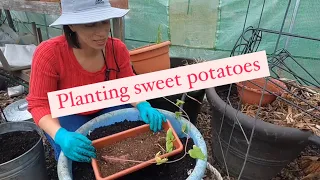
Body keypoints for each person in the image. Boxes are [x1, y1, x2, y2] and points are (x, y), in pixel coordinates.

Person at [26, 0, 167, 163]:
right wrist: (61, 135)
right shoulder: (49, 54)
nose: (101, 32)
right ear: (72, 25)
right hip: (69, 113)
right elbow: (39, 104)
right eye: (90, 24)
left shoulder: (117, 49)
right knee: (78, 157)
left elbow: (127, 85)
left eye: (104, 21)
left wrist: (143, 104)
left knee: (130, 139)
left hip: (107, 104)